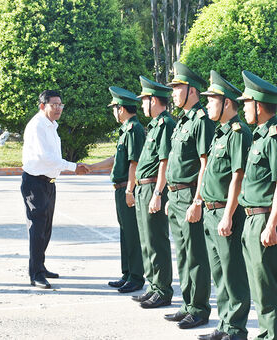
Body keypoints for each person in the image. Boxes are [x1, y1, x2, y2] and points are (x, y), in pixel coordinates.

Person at [237, 70, 277, 340]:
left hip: (264, 219)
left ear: (259, 105)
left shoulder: (275, 137)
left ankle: (273, 336)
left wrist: (272, 225)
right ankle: (266, 333)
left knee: (268, 288)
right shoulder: (258, 136)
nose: (243, 108)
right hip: (250, 218)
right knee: (258, 287)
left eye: (246, 103)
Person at [198, 70, 252, 340]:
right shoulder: (219, 133)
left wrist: (228, 215)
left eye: (211, 100)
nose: (207, 104)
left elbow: (238, 177)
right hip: (211, 210)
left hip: (225, 212)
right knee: (219, 274)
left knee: (233, 274)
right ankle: (224, 325)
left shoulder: (238, 133)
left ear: (227, 103)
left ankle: (236, 329)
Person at [163, 61, 214, 329]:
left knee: (195, 254)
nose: (172, 93)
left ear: (191, 90)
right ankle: (187, 304)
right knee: (182, 254)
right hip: (177, 195)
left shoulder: (201, 120)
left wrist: (198, 200)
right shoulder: (183, 120)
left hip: (191, 195)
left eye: (177, 88)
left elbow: (205, 163)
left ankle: (199, 307)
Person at [20, 90, 87, 289]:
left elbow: (52, 158)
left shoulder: (51, 125)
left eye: (60, 104)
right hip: (35, 183)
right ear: (42, 106)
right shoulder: (38, 125)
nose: (58, 108)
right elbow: (45, 157)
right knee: (37, 229)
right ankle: (36, 274)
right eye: (54, 105)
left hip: (48, 183)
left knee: (46, 228)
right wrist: (74, 167)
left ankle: (40, 266)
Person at [84, 86, 146, 293]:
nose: (113, 112)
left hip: (126, 188)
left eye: (114, 108)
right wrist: (92, 168)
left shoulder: (135, 129)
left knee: (132, 233)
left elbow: (134, 163)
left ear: (121, 109)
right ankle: (127, 273)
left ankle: (136, 277)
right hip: (119, 188)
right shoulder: (126, 130)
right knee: (125, 232)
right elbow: (117, 159)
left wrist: (130, 190)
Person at [131, 76, 176, 308]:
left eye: (144, 100)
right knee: (146, 240)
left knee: (156, 240)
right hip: (143, 186)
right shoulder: (156, 124)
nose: (141, 105)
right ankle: (153, 285)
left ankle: (163, 289)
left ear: (154, 101)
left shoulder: (166, 124)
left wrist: (159, 193)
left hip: (153, 187)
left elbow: (164, 162)